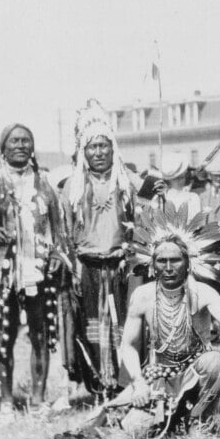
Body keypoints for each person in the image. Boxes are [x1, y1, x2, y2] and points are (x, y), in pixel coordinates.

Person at [0, 123, 67, 416]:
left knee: (40, 333)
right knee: (4, 334)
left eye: (26, 140)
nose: (21, 145)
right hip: (2, 270)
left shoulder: (44, 182)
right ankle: (8, 402)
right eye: (15, 141)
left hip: (37, 269)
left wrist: (58, 255)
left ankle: (38, 400)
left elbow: (58, 227)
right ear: (4, 148)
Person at [61, 100, 150, 396]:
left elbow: (153, 197)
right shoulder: (73, 187)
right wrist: (72, 266)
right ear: (83, 152)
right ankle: (100, 385)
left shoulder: (126, 182)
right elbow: (66, 233)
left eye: (104, 146)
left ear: (113, 149)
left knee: (125, 326)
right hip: (88, 267)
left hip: (121, 267)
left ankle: (127, 384)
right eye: (92, 147)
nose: (98, 152)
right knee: (93, 327)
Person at [120, 234, 220, 430]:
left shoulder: (203, 292)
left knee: (216, 361)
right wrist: (139, 382)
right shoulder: (143, 295)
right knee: (136, 430)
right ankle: (173, 417)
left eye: (175, 260)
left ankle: (199, 419)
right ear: (152, 265)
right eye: (162, 261)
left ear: (188, 263)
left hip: (198, 371)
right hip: (160, 375)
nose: (169, 268)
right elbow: (128, 346)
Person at [156, 153, 201, 218]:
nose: (179, 181)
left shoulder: (193, 197)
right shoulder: (161, 198)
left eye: (181, 177)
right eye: (176, 179)